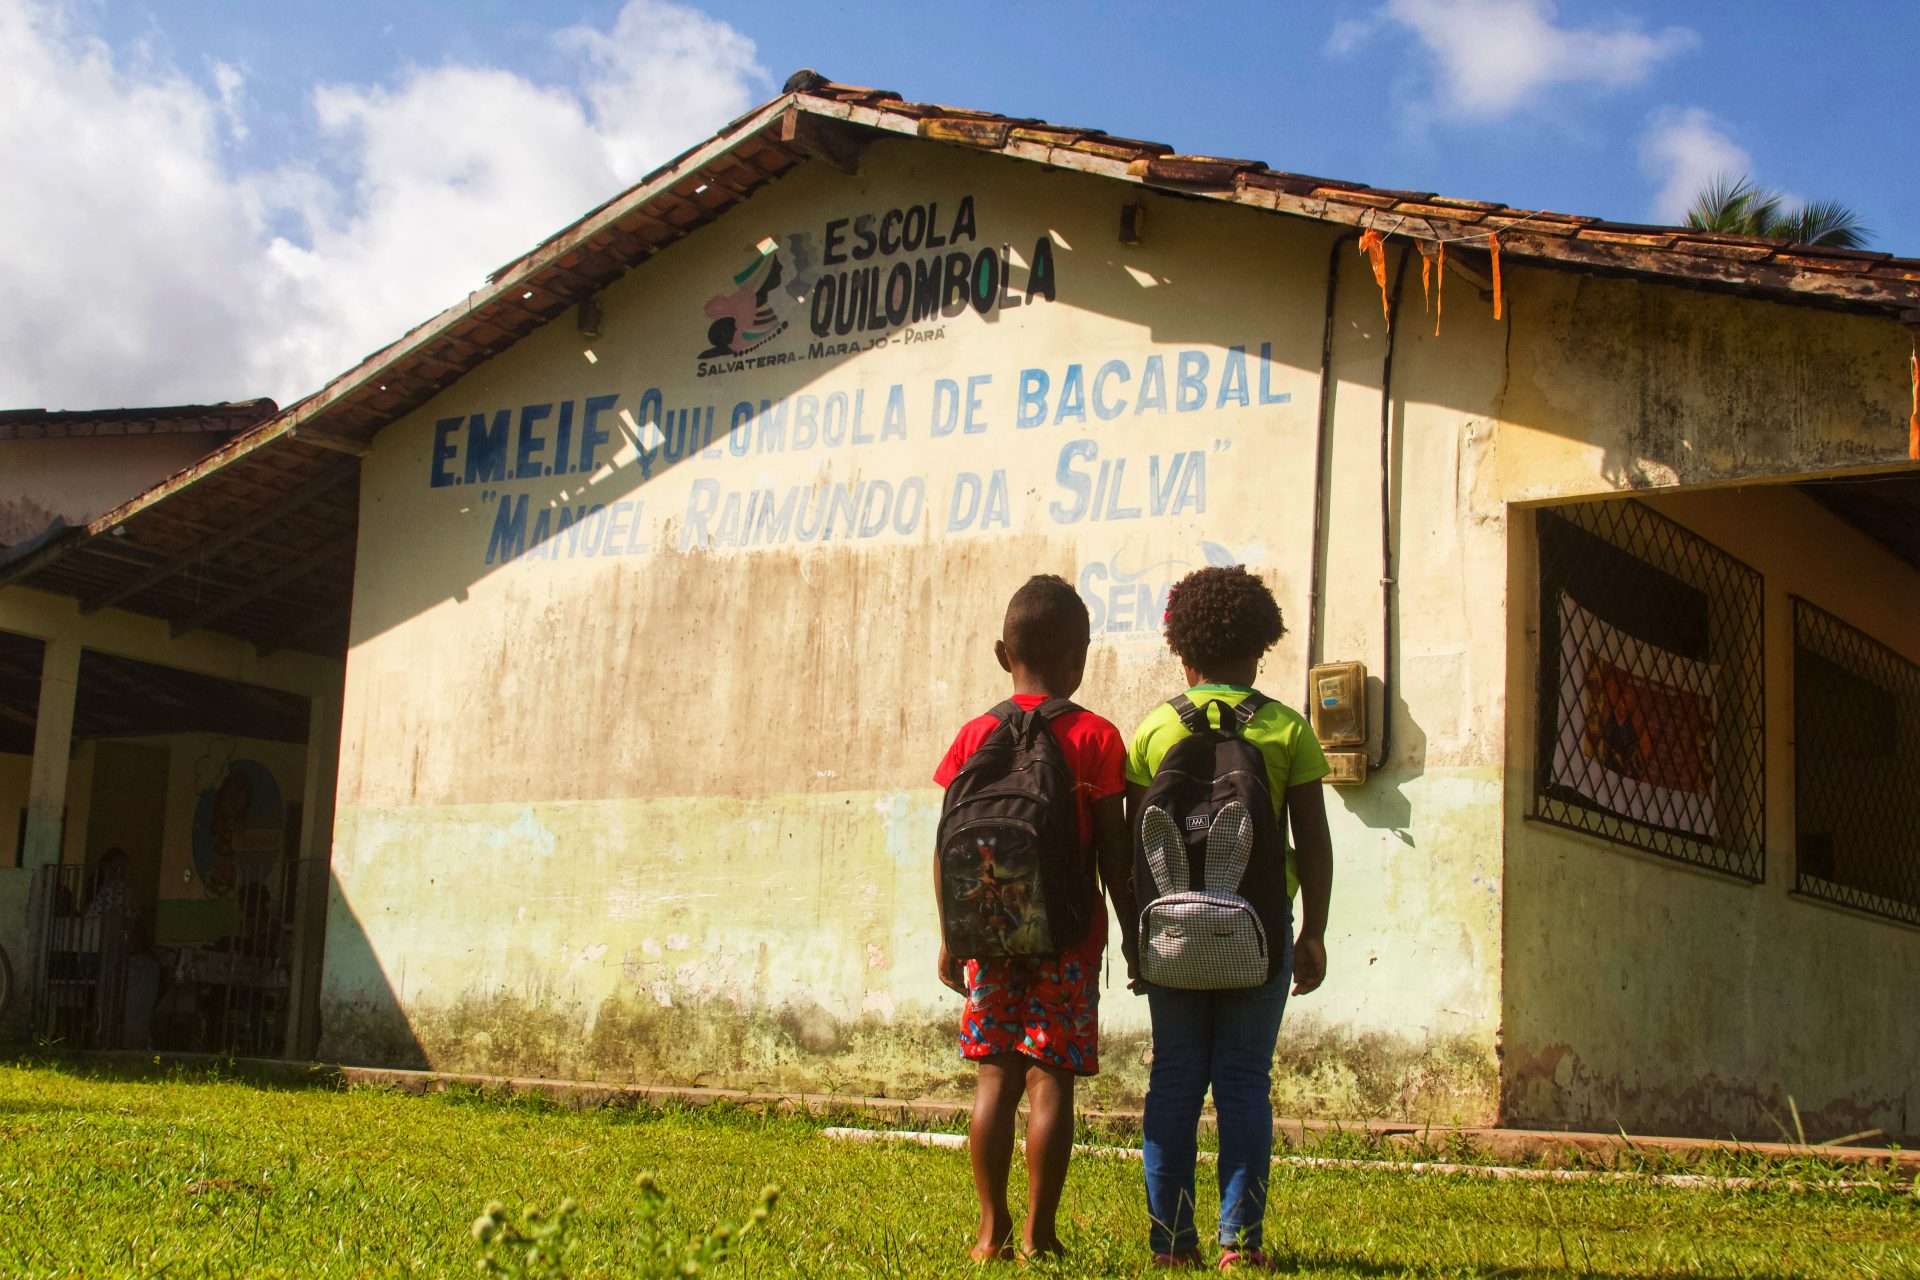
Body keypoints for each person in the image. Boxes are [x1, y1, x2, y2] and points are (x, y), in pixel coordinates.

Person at [1124, 566, 1334, 1270]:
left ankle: (1170, 1246)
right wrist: (1314, 933)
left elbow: (1135, 848)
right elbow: (1315, 841)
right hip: (1260, 933)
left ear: (1182, 652)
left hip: (1171, 934)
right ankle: (1239, 1246)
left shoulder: (1153, 729)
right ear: (1262, 647)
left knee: (1175, 1079)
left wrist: (1136, 943)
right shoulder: (1286, 729)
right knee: (1244, 1081)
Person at [933, 574, 1135, 1261]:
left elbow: (946, 844)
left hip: (986, 932)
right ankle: (1038, 1235)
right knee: (1051, 1080)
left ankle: (988, 1233)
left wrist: (949, 937)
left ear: (1001, 653)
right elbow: (1114, 851)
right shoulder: (1098, 737)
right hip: (1068, 941)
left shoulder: (972, 735)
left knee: (996, 1077)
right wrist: (1132, 936)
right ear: (1080, 660)